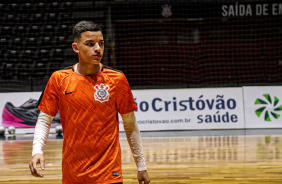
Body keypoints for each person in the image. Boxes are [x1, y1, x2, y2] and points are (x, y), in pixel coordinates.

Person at [29, 20, 150, 184]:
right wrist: (37, 151)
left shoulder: (117, 79)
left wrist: (141, 165)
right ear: (75, 47)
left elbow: (130, 123)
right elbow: (44, 120)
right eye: (90, 44)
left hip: (109, 173)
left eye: (101, 43)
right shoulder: (59, 79)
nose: (98, 49)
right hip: (73, 173)